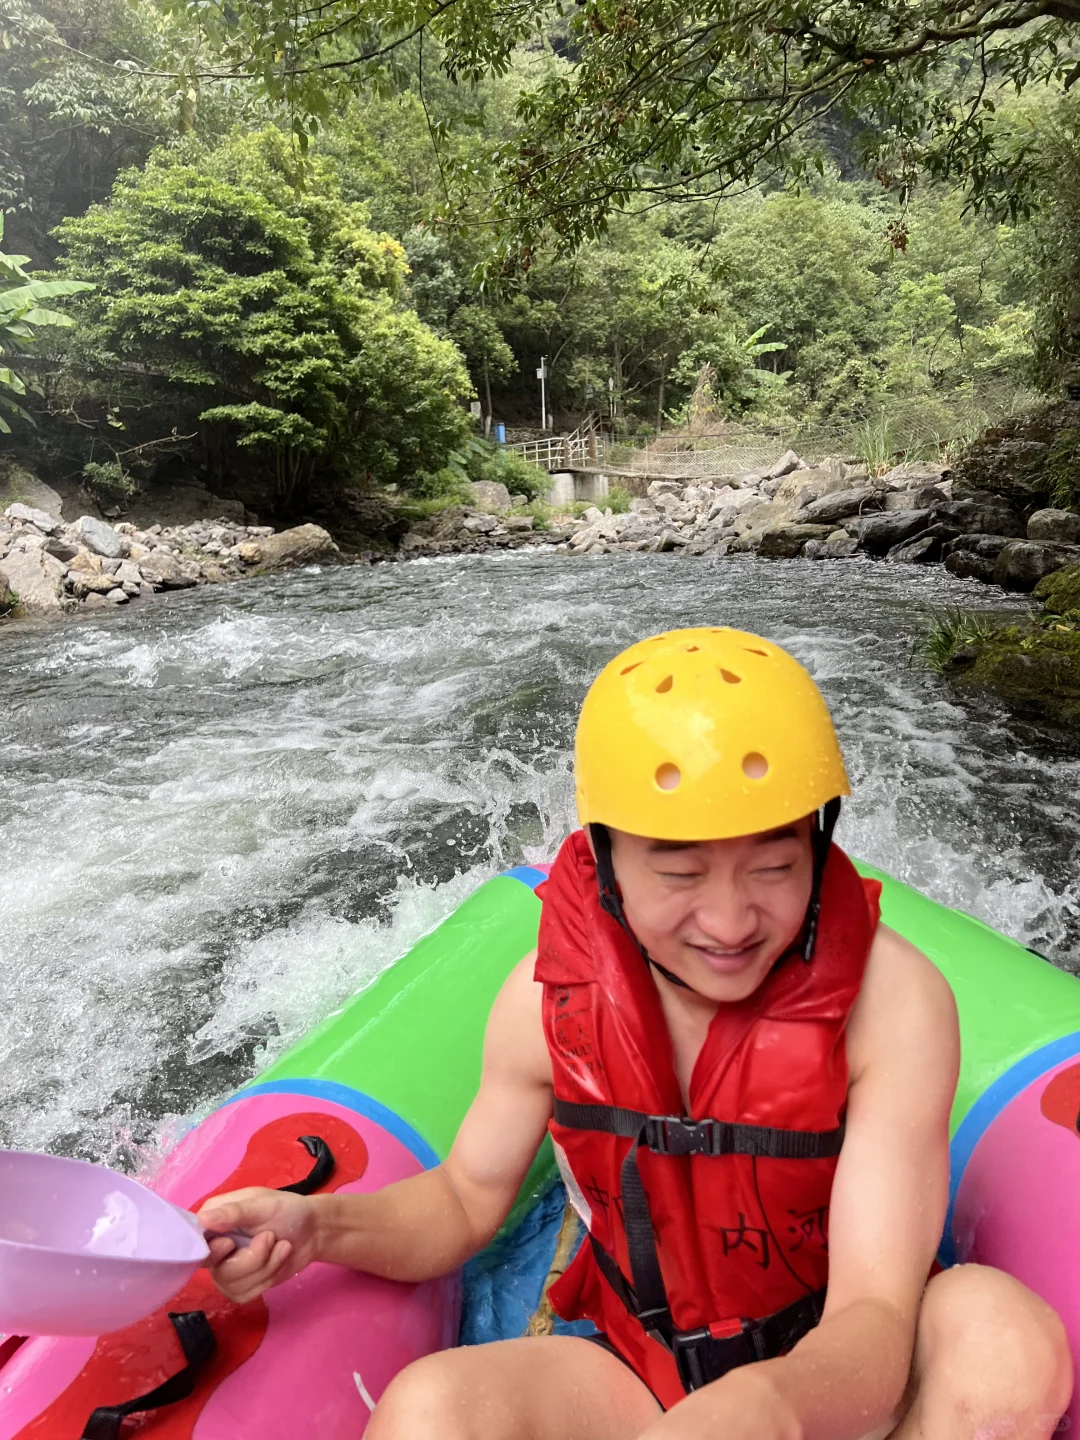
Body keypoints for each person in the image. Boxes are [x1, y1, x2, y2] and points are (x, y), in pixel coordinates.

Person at [200, 627, 1072, 1440]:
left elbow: (876, 1321)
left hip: (839, 1378)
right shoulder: (544, 1005)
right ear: (604, 857)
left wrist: (765, 1407)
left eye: (774, 865)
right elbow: (463, 1202)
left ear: (819, 840)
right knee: (429, 1407)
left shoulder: (893, 1002)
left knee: (1004, 1342)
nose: (730, 920)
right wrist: (316, 1229)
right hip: (645, 1380)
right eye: (680, 872)